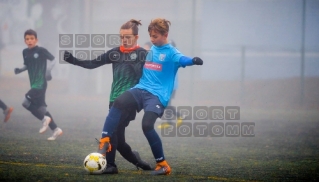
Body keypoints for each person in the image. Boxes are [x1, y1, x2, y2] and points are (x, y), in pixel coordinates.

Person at [97, 18, 203, 175]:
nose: (152, 40)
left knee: (147, 125)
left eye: (155, 36)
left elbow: (182, 59)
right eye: (151, 36)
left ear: (165, 34)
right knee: (118, 102)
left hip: (157, 96)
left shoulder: (171, 52)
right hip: (141, 89)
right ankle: (105, 140)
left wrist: (192, 60)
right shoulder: (150, 50)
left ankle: (162, 164)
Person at [63, 19, 152, 174]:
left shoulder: (142, 54)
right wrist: (73, 60)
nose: (124, 40)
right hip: (114, 100)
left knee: (112, 132)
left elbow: (153, 76)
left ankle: (111, 165)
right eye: (122, 37)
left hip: (130, 100)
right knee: (119, 140)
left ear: (136, 37)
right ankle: (137, 161)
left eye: (128, 37)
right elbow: (92, 63)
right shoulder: (115, 52)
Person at [14, 29, 63, 141]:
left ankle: (44, 119)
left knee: (25, 102)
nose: (29, 41)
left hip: (40, 83)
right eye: (27, 39)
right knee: (41, 109)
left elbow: (54, 59)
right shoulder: (25, 52)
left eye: (32, 38)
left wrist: (48, 70)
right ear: (25, 40)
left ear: (36, 40)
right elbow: (27, 65)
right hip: (34, 83)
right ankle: (56, 129)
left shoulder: (41, 50)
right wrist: (20, 70)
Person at [144, 40, 182, 129]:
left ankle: (180, 116)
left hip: (171, 86)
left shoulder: (172, 56)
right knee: (165, 103)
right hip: (167, 85)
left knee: (166, 103)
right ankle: (169, 122)